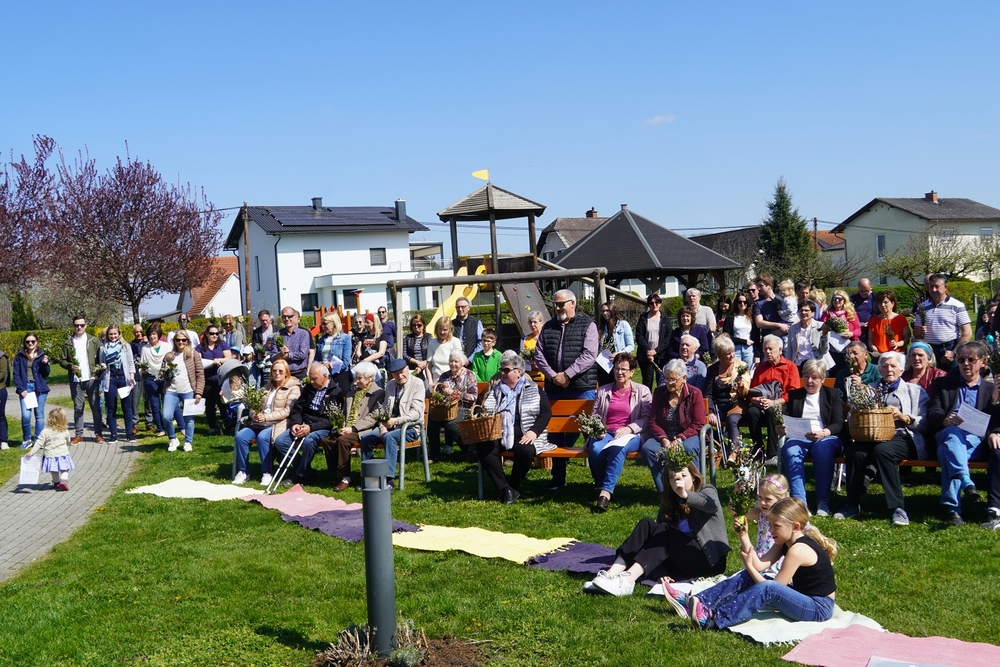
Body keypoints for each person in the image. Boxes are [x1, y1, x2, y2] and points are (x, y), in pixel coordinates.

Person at [676, 498, 837, 631]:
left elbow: (772, 590)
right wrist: (743, 536)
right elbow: (760, 565)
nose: (770, 530)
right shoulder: (785, 542)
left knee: (764, 584)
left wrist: (750, 567)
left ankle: (714, 619)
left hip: (819, 607)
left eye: (776, 526)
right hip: (804, 596)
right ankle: (696, 601)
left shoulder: (798, 550)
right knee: (750, 575)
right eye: (770, 524)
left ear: (795, 527)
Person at [584, 462, 729, 596]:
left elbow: (711, 505)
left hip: (709, 561)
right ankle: (611, 574)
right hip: (681, 558)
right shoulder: (670, 500)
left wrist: (685, 495)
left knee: (666, 531)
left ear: (693, 477)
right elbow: (657, 541)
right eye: (672, 477)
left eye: (683, 476)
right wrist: (660, 571)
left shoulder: (707, 490)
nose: (677, 480)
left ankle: (627, 580)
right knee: (646, 524)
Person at [835, 352, 928, 526]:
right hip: (871, 435)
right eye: (884, 366)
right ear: (879, 370)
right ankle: (852, 504)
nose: (889, 369)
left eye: (893, 366)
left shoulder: (914, 390)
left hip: (903, 435)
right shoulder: (869, 389)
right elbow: (852, 414)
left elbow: (925, 422)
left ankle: (897, 508)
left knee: (883, 451)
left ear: (901, 370)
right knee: (855, 451)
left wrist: (904, 416)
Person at [926, 341, 1000, 526]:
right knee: (952, 434)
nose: (965, 364)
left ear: (983, 362)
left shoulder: (991, 388)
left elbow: (996, 418)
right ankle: (966, 481)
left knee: (947, 451)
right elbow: (933, 411)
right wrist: (945, 420)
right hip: (946, 431)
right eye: (961, 360)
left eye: (971, 360)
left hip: (976, 440)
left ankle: (953, 509)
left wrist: (995, 432)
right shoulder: (943, 384)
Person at [534, 289, 599, 490]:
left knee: (591, 433)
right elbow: (538, 354)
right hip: (554, 388)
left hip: (582, 387)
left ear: (573, 303)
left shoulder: (587, 325)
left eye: (561, 304)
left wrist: (568, 375)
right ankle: (558, 477)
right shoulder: (548, 327)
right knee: (555, 433)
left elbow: (589, 355)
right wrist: (554, 376)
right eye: (555, 304)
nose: (558, 308)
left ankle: (599, 479)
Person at [477, 351, 554, 503]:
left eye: (506, 370)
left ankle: (513, 486)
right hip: (499, 432)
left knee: (526, 450)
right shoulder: (497, 389)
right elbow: (487, 409)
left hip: (525, 432)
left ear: (519, 372)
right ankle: (506, 489)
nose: (502, 373)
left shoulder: (533, 388)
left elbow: (546, 412)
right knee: (483, 448)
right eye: (501, 370)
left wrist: (534, 432)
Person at [587, 352, 652, 512]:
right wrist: (598, 429)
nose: (619, 372)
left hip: (631, 434)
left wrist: (629, 428)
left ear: (632, 372)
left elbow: (646, 418)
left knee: (618, 448)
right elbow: (594, 415)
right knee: (595, 449)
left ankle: (605, 493)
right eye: (617, 368)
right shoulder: (603, 390)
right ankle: (602, 482)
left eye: (624, 369)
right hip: (606, 432)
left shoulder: (642, 391)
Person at [778, 359, 844, 516]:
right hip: (800, 437)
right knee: (791, 451)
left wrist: (823, 433)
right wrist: (781, 427)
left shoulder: (832, 394)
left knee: (822, 449)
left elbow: (838, 423)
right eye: (806, 376)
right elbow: (787, 418)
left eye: (814, 377)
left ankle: (823, 501)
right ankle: (800, 503)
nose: (809, 381)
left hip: (826, 437)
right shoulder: (796, 395)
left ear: (822, 379)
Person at [272, 363, 345, 486]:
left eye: (314, 378)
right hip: (304, 423)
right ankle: (306, 470)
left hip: (323, 427)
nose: (311, 381)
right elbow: (297, 408)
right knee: (281, 441)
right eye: (310, 378)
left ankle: (300, 475)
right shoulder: (308, 388)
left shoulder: (335, 392)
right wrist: (296, 423)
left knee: (309, 440)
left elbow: (331, 420)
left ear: (325, 376)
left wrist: (311, 428)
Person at [640, 359, 706, 492]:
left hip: (689, 436)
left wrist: (680, 439)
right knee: (648, 448)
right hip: (665, 436)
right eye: (666, 378)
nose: (668, 383)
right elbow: (653, 421)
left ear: (684, 378)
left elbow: (698, 423)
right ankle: (665, 491)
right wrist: (664, 439)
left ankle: (693, 491)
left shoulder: (695, 394)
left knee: (688, 449)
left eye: (672, 379)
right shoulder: (659, 393)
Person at [231, 359, 301, 486]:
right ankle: (243, 472)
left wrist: (266, 417)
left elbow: (288, 411)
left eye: (281, 371)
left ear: (286, 373)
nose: (277, 373)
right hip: (259, 422)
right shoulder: (266, 387)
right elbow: (254, 404)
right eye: (274, 371)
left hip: (278, 423)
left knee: (262, 437)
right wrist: (253, 414)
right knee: (240, 437)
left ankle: (267, 472)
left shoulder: (293, 388)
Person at [319, 361, 385, 491]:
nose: (356, 381)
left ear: (370, 378)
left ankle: (345, 478)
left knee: (343, 441)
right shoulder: (352, 392)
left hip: (363, 429)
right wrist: (341, 426)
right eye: (356, 377)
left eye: (360, 378)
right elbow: (344, 412)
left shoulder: (379, 393)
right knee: (327, 441)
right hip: (347, 427)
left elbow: (374, 416)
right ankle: (337, 473)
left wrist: (353, 428)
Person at [359, 358, 425, 488]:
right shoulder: (390, 385)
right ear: (392, 375)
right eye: (396, 374)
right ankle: (369, 477)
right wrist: (382, 426)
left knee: (390, 437)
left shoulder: (418, 383)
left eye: (402, 372)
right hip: (390, 426)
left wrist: (396, 420)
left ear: (407, 369)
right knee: (366, 438)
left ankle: (388, 479)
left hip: (410, 428)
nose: (400, 376)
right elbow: (383, 409)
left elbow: (416, 413)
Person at [745, 335, 800, 461]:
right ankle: (758, 451)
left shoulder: (790, 366)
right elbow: (752, 391)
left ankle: (772, 453)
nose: (768, 352)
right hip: (762, 403)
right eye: (765, 349)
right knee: (752, 412)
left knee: (772, 410)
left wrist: (774, 402)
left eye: (771, 349)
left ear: (780, 350)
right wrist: (754, 400)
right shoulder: (760, 368)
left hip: (783, 404)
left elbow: (793, 393)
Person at [733, 474, 790, 579]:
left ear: (782, 497)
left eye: (768, 499)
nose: (762, 502)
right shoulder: (760, 514)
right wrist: (738, 490)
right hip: (759, 560)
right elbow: (734, 511)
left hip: (777, 566)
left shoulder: (788, 521)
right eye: (759, 497)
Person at [912, 273, 972, 372]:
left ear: (945, 287)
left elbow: (967, 332)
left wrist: (954, 352)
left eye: (937, 286)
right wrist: (919, 331)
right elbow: (916, 334)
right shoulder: (922, 307)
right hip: (929, 350)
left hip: (949, 349)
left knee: (952, 379)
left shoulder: (956, 305)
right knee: (931, 379)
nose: (933, 290)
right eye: (931, 286)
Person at [59, 315, 105, 444]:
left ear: (86, 325)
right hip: (76, 380)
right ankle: (79, 435)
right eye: (76, 325)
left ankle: (99, 434)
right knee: (78, 408)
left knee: (95, 407)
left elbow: (102, 358)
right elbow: (62, 360)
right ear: (73, 326)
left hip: (91, 379)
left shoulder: (94, 341)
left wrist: (99, 373)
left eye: (82, 325)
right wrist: (70, 366)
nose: (79, 327)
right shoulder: (68, 343)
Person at [704, 334, 751, 454]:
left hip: (737, 405)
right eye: (728, 353)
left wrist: (741, 385)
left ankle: (733, 454)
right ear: (720, 356)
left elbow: (746, 393)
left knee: (732, 420)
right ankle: (723, 449)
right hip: (718, 406)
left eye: (733, 352)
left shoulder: (742, 366)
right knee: (703, 421)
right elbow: (708, 394)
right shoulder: (712, 370)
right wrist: (710, 412)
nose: (732, 355)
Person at [427, 350, 478, 460]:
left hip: (464, 408)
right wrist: (437, 395)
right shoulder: (445, 376)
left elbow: (473, 397)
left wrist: (455, 394)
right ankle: (434, 454)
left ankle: (468, 450)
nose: (453, 364)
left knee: (450, 423)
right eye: (451, 361)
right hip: (445, 409)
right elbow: (438, 392)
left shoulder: (469, 375)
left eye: (456, 361)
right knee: (432, 420)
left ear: (462, 362)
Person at [161, 330, 205, 452]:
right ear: (174, 341)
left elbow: (200, 374)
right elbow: (163, 374)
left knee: (189, 419)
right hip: (171, 390)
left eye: (183, 340)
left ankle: (188, 442)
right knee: (166, 416)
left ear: (187, 341)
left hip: (188, 390)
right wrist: (167, 373)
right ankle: (173, 439)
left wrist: (198, 392)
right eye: (178, 340)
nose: (181, 342)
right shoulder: (169, 356)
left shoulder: (193, 354)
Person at [97, 325, 137, 444]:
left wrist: (131, 379)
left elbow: (131, 364)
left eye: (115, 334)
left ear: (119, 334)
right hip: (111, 380)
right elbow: (101, 363)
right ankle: (113, 435)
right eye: (111, 334)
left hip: (124, 379)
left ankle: (129, 434)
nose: (113, 336)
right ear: (107, 335)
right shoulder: (103, 348)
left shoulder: (125, 346)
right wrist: (102, 366)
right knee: (111, 408)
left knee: (127, 407)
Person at [13, 332, 50, 448]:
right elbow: (16, 375)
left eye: (32, 341)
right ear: (25, 343)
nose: (30, 343)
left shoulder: (41, 355)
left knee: (39, 416)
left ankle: (38, 441)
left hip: (39, 388)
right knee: (26, 416)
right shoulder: (20, 356)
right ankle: (27, 440)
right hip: (26, 388)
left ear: (36, 342)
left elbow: (46, 374)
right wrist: (21, 389)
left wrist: (45, 364)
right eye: (28, 341)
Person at [197, 323, 233, 436]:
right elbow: (197, 361)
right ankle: (212, 426)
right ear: (207, 334)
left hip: (221, 379)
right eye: (212, 333)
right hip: (207, 379)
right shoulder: (200, 347)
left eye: (217, 333)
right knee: (210, 404)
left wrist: (219, 360)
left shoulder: (222, 344)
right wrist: (212, 363)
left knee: (223, 403)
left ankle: (228, 425)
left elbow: (229, 358)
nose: (214, 336)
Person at [25, 407, 74, 491]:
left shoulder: (45, 431)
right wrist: (68, 443)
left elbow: (39, 442)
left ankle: (56, 483)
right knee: (65, 469)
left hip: (50, 455)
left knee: (54, 470)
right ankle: (63, 480)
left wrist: (32, 452)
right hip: (63, 454)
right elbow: (68, 440)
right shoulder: (64, 430)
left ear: (49, 419)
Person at [636, 293, 672, 390]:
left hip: (661, 356)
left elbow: (668, 336)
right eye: (652, 303)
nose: (654, 305)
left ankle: (660, 399)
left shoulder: (665, 319)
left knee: (662, 381)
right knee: (647, 381)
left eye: (657, 302)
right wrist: (648, 351)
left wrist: (656, 351)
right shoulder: (643, 318)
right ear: (649, 304)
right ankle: (646, 399)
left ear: (660, 303)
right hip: (646, 356)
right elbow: (639, 336)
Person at [784, 301, 833, 370]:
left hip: (816, 364)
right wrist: (788, 365)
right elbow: (789, 350)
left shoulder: (821, 326)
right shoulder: (793, 328)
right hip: (799, 364)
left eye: (806, 310)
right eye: (801, 310)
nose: (803, 312)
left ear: (813, 313)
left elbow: (824, 351)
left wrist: (824, 335)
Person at [821, 290, 861, 376]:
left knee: (848, 373)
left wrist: (851, 333)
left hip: (848, 349)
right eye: (834, 298)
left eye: (839, 299)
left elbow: (858, 330)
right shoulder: (827, 314)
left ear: (844, 300)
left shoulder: (851, 313)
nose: (837, 300)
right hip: (831, 350)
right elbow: (820, 327)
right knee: (833, 374)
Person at [139, 323, 169, 436]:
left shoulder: (166, 346)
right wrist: (143, 370)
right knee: (155, 405)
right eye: (150, 335)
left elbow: (172, 361)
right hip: (150, 379)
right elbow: (142, 365)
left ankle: (169, 426)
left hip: (164, 378)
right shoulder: (145, 349)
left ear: (158, 335)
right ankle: (161, 428)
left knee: (166, 404)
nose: (152, 336)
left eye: (154, 334)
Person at [596, 301, 635, 386]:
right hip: (604, 365)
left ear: (613, 311)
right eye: (603, 311)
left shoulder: (623, 325)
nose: (605, 313)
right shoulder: (601, 327)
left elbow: (631, 346)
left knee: (618, 387)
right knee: (604, 388)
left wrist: (618, 353)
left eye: (607, 310)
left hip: (618, 364)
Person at [315, 311, 354, 395]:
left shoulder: (345, 338)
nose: (323, 326)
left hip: (340, 375)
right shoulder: (322, 340)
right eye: (322, 324)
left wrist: (331, 367)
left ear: (334, 323)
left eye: (325, 323)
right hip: (324, 375)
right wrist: (322, 366)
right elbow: (316, 359)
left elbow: (346, 361)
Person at [271, 307, 313, 380]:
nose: (286, 319)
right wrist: (279, 354)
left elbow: (302, 354)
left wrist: (287, 356)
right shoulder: (277, 335)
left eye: (289, 316)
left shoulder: (303, 334)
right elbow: (272, 357)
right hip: (283, 376)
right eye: (284, 317)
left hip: (300, 374)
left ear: (295, 317)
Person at [867, 290, 911, 356]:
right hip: (880, 355)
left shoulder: (901, 319)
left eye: (885, 302)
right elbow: (870, 340)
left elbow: (907, 339)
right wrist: (875, 350)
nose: (882, 305)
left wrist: (897, 344)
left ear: (892, 303)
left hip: (896, 354)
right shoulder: (873, 321)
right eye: (880, 303)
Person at [752, 275, 788, 350]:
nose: (758, 289)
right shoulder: (757, 303)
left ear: (769, 286)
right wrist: (779, 325)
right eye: (757, 286)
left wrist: (783, 330)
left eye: (761, 285)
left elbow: (793, 317)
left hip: (784, 340)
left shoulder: (782, 300)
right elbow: (759, 323)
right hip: (768, 341)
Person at [428, 317, 463, 384]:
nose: (442, 332)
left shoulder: (455, 342)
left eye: (445, 330)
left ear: (450, 329)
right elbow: (428, 366)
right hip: (436, 381)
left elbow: (460, 363)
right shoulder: (431, 343)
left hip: (452, 380)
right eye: (440, 329)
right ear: (436, 329)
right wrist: (430, 382)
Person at [723, 294, 755, 365]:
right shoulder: (730, 317)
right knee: (735, 369)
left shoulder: (751, 317)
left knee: (748, 370)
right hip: (735, 349)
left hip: (749, 349)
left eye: (745, 302)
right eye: (739, 302)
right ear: (736, 303)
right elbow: (726, 336)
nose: (742, 304)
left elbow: (756, 335)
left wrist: (757, 355)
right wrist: (744, 341)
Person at [401, 314, 431, 382]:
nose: (416, 327)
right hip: (413, 369)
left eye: (419, 325)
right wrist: (417, 362)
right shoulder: (407, 338)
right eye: (414, 325)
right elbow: (404, 355)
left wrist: (423, 364)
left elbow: (432, 354)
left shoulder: (429, 337)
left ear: (423, 325)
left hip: (427, 368)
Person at [129, 324, 146, 436]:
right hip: (136, 375)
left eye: (140, 331)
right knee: (135, 400)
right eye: (136, 332)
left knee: (148, 400)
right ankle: (135, 424)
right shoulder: (131, 345)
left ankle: (149, 422)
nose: (138, 334)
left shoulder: (148, 343)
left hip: (147, 375)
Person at [519, 311, 545, 379]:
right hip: (529, 378)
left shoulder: (546, 338)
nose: (532, 324)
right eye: (530, 322)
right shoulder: (524, 340)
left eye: (535, 322)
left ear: (542, 323)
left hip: (545, 378)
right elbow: (520, 361)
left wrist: (540, 364)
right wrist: (531, 366)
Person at [0, 347, 9, 450]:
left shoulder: (1, 357)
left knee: (0, 415)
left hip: (0, 389)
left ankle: (3, 441)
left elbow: (2, 373)